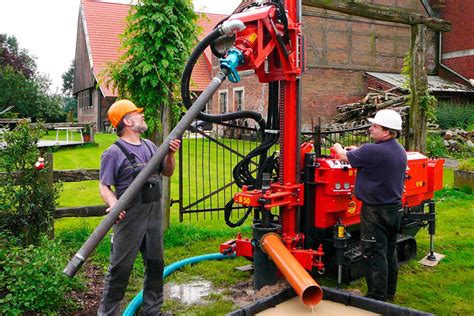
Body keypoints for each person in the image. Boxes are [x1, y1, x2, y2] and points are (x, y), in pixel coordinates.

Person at [98, 99, 180, 315]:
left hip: (153, 216)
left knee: (155, 265)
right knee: (119, 270)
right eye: (137, 113)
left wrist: (170, 154)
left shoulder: (150, 146)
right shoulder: (113, 152)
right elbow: (104, 185)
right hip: (129, 219)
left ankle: (153, 311)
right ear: (127, 120)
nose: (142, 116)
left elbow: (168, 172)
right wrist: (114, 204)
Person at [332, 109, 407, 302]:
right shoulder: (398, 149)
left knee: (373, 253)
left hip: (375, 212)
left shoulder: (371, 151)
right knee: (389, 253)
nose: (371, 128)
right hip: (395, 209)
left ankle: (376, 298)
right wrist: (357, 151)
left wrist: (339, 146)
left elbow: (342, 156)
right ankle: (389, 292)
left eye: (375, 126)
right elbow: (368, 156)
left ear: (387, 132)